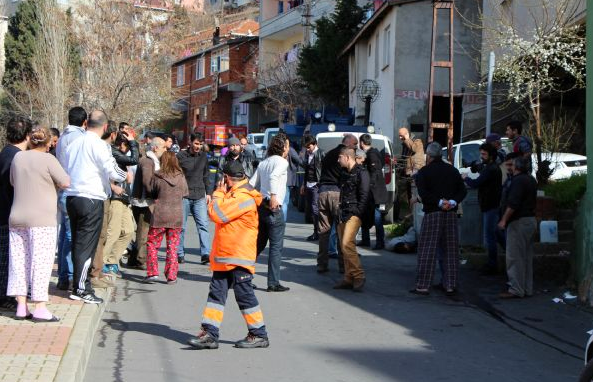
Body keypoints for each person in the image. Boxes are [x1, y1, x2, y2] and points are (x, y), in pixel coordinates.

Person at [187, 160, 268, 349]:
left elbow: (216, 213)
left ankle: (259, 334)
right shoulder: (236, 193)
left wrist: (217, 193)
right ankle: (210, 334)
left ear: (227, 178)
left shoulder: (242, 196)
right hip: (228, 255)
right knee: (217, 295)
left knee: (244, 295)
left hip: (237, 255)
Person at [63, 110, 127, 304]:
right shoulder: (98, 144)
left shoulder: (73, 143)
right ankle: (81, 288)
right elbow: (113, 171)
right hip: (91, 198)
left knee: (77, 243)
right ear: (105, 127)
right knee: (86, 246)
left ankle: (78, 284)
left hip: (72, 196)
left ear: (86, 123)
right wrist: (124, 175)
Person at [8, 126, 70, 321]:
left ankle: (21, 306)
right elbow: (65, 181)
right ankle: (40, 307)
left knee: (19, 262)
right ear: (48, 143)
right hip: (42, 218)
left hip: (17, 216)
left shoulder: (18, 157)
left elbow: (12, 181)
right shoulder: (49, 159)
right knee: (41, 262)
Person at [411, 142, 467, 296]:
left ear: (428, 156)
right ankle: (450, 284)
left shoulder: (424, 172)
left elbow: (423, 193)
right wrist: (453, 202)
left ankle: (423, 285)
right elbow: (462, 190)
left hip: (433, 213)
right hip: (451, 214)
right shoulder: (453, 170)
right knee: (450, 250)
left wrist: (440, 202)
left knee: (427, 249)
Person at [249, 133, 290, 292]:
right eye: (287, 145)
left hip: (262, 207)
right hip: (273, 208)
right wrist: (273, 196)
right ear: (284, 147)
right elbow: (274, 176)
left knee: (258, 244)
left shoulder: (264, 162)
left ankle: (242, 275)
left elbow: (252, 183)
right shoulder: (282, 162)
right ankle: (273, 282)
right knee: (276, 247)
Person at [0, 117, 32, 309]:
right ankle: (5, 297)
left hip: (6, 212)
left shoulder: (6, 153)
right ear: (27, 136)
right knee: (7, 259)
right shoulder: (16, 158)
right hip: (7, 214)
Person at [55, 107, 87, 291]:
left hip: (62, 188)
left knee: (63, 235)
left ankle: (62, 275)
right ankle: (68, 276)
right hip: (73, 189)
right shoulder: (80, 138)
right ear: (84, 122)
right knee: (70, 234)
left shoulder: (62, 138)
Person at [144, 151, 188, 284]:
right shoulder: (181, 177)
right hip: (176, 215)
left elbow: (151, 191)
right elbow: (185, 193)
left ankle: (152, 273)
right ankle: (171, 276)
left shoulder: (158, 176)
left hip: (160, 215)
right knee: (173, 247)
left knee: (152, 244)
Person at [316, 134, 358, 274]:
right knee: (341, 230)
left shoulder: (328, 154)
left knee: (323, 231)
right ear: (347, 143)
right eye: (354, 144)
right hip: (336, 193)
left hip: (322, 193)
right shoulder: (344, 156)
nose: (355, 147)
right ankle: (342, 266)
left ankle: (322, 265)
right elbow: (346, 177)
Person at [497, 156, 537, 299]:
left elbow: (513, 203)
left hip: (518, 222)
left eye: (512, 165)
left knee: (514, 257)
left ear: (517, 167)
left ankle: (515, 289)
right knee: (526, 257)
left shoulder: (518, 181)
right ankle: (526, 288)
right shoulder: (531, 179)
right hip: (530, 220)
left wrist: (503, 220)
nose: (510, 167)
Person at [101, 131, 139, 278]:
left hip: (124, 197)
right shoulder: (114, 153)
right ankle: (102, 262)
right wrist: (133, 142)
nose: (129, 150)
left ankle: (111, 260)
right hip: (116, 197)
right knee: (113, 232)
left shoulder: (119, 154)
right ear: (121, 144)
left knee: (129, 231)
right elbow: (134, 159)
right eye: (127, 146)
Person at [333, 147, 370, 292]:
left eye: (340, 157)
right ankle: (349, 278)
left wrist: (357, 212)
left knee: (346, 244)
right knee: (344, 247)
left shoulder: (362, 173)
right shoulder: (344, 173)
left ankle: (359, 275)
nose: (338, 160)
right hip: (343, 212)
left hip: (354, 214)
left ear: (347, 158)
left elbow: (365, 195)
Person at [463, 143, 502, 275]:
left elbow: (476, 183)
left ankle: (493, 264)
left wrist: (465, 178)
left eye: (484, 154)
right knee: (496, 234)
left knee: (490, 236)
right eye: (481, 154)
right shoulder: (491, 168)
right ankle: (503, 256)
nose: (482, 157)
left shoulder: (491, 169)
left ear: (491, 155)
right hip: (491, 205)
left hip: (490, 206)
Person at [128, 137, 167, 270]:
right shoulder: (148, 161)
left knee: (142, 231)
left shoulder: (151, 160)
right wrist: (156, 193)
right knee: (143, 232)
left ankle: (134, 259)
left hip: (144, 200)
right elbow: (147, 181)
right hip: (143, 202)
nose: (165, 149)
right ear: (155, 147)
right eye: (163, 147)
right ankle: (141, 259)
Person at [177, 133, 211, 265]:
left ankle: (205, 253)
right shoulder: (180, 156)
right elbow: (175, 174)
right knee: (182, 227)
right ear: (190, 143)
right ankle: (180, 253)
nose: (198, 146)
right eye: (196, 143)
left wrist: (208, 193)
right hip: (184, 196)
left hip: (199, 196)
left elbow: (206, 175)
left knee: (203, 225)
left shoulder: (203, 156)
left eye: (201, 144)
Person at [359, 134, 388, 250]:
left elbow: (375, 173)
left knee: (377, 218)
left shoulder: (372, 154)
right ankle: (366, 240)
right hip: (372, 192)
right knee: (365, 215)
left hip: (375, 193)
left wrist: (368, 186)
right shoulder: (372, 153)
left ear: (362, 143)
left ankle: (380, 242)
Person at [300, 135, 324, 241]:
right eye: (306, 147)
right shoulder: (307, 154)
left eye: (309, 147)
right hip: (308, 184)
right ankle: (316, 232)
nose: (307, 149)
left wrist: (321, 184)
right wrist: (303, 184)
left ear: (315, 144)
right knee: (310, 209)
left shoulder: (321, 153)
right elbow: (306, 170)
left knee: (315, 209)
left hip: (316, 185)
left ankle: (319, 232)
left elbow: (324, 170)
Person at [397, 127, 425, 214]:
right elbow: (404, 158)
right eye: (399, 136)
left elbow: (414, 149)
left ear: (406, 134)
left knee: (414, 194)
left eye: (401, 136)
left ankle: (413, 214)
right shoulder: (405, 144)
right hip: (407, 172)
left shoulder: (417, 141)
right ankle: (408, 214)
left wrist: (407, 139)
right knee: (407, 194)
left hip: (416, 172)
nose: (400, 138)